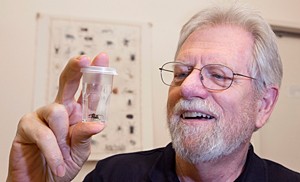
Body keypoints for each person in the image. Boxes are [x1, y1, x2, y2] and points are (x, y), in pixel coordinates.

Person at [7, 4, 300, 182]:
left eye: (219, 75)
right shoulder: (113, 177)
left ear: (263, 105)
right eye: (182, 72)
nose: (187, 87)